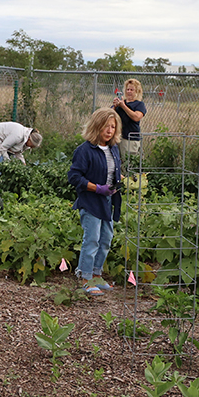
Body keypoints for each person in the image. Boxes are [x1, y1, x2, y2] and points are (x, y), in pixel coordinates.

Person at [67, 108, 123, 295]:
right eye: (105, 126)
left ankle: (97, 275)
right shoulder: (85, 150)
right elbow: (74, 176)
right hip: (91, 201)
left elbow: (111, 171)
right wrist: (97, 188)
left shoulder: (114, 149)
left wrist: (120, 179)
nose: (109, 130)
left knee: (106, 239)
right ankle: (85, 278)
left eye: (113, 127)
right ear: (96, 126)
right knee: (91, 240)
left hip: (107, 201)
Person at [112, 78, 146, 157]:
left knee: (128, 163)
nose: (129, 92)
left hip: (130, 139)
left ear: (137, 92)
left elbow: (136, 117)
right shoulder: (120, 102)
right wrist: (114, 107)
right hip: (118, 137)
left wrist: (123, 106)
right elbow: (109, 116)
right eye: (127, 89)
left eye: (132, 90)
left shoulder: (139, 104)